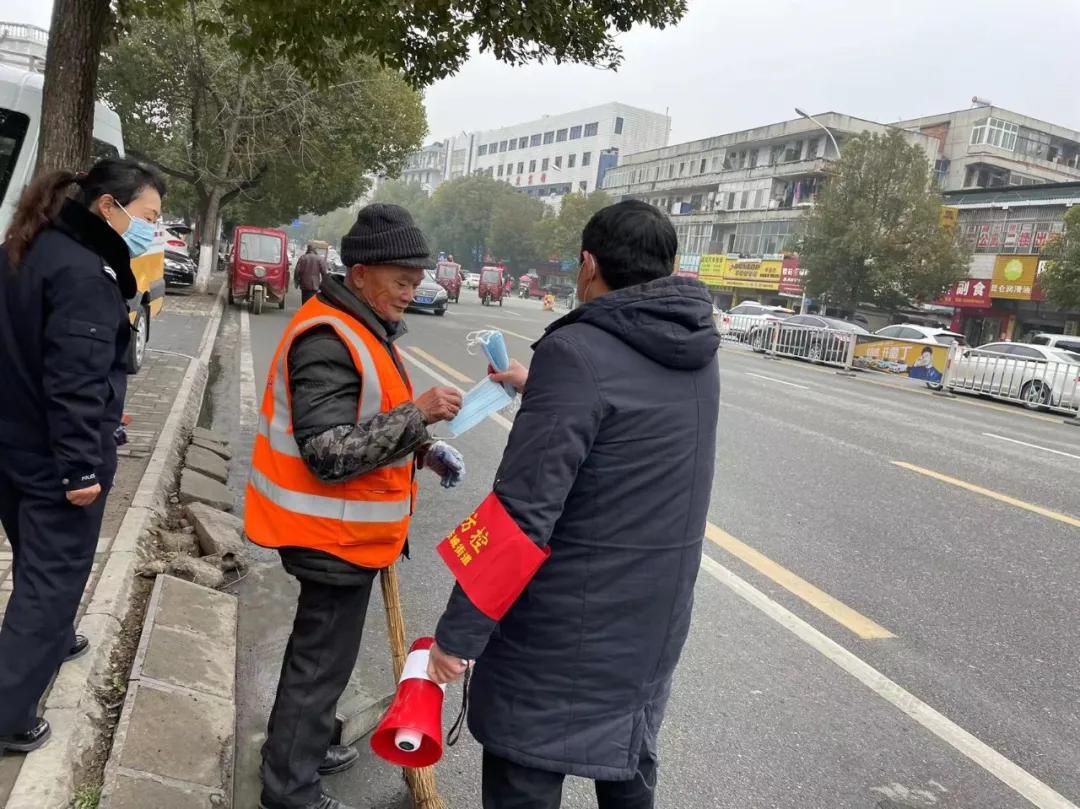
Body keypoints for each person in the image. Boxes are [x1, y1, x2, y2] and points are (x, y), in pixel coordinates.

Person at [427, 200, 721, 808]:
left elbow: (522, 512)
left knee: (528, 767)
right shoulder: (694, 347)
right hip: (652, 621)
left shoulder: (576, 351)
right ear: (669, 268)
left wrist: (457, 636)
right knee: (628, 759)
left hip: (562, 631)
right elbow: (627, 422)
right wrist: (540, 387)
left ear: (588, 264)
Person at [245, 203, 465, 809]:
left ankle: (302, 747)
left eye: (416, 283)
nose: (411, 294)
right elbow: (328, 451)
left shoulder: (364, 326)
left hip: (348, 534)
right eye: (402, 282)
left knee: (324, 661)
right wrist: (417, 415)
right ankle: (290, 789)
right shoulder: (328, 337)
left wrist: (423, 449)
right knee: (318, 664)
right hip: (327, 534)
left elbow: (368, 418)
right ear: (362, 274)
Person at [0, 159, 165, 756]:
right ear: (108, 207)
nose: (154, 229)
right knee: (52, 579)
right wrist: (79, 469)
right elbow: (75, 380)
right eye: (148, 215)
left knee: (35, 555)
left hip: (13, 441)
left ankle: (57, 636)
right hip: (55, 457)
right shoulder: (86, 274)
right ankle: (8, 714)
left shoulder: (29, 246)